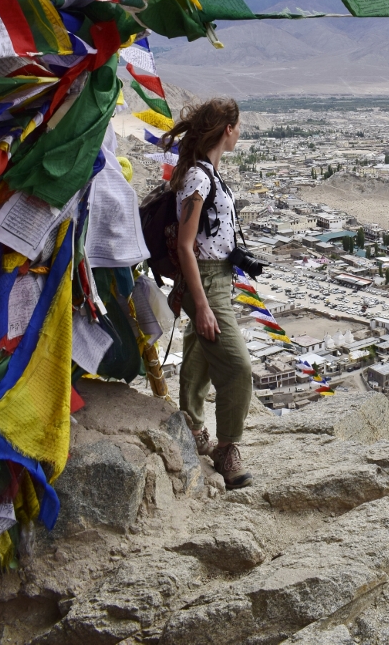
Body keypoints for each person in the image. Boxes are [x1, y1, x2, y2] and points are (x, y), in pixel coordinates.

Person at [160, 98, 253, 488]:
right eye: (238, 126)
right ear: (227, 129)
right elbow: (185, 245)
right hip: (207, 282)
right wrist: (201, 305)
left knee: (197, 360)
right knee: (237, 368)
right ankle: (226, 448)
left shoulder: (209, 174)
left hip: (216, 278)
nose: (240, 132)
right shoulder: (200, 178)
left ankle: (194, 429)